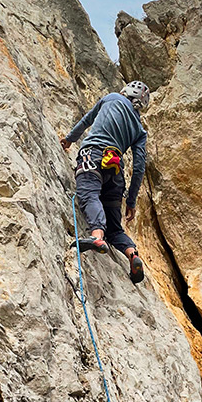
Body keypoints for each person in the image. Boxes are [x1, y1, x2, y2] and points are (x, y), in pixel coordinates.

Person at [61, 81, 150, 284]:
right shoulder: (140, 131)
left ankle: (96, 236)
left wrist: (69, 140)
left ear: (126, 91)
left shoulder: (111, 98)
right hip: (115, 171)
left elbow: (86, 121)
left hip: (92, 156)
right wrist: (131, 202)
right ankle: (131, 254)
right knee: (115, 228)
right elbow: (139, 168)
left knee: (89, 194)